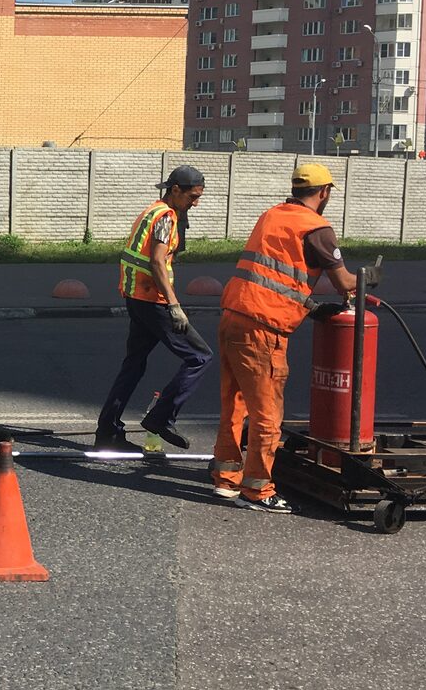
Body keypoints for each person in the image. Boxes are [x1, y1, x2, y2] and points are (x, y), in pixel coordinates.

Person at [211, 161, 361, 513]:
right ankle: (258, 490)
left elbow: (272, 277)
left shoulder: (272, 215)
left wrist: (309, 306)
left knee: (234, 403)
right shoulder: (318, 228)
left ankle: (226, 480)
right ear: (324, 193)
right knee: (267, 413)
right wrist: (372, 277)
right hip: (264, 329)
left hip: (234, 315)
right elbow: (345, 283)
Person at [96, 165, 213, 451]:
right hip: (154, 301)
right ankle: (160, 418)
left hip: (137, 297)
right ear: (175, 190)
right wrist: (174, 305)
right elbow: (157, 262)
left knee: (133, 365)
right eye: (192, 197)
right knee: (200, 357)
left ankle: (107, 432)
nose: (195, 203)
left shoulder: (154, 210)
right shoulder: (165, 218)